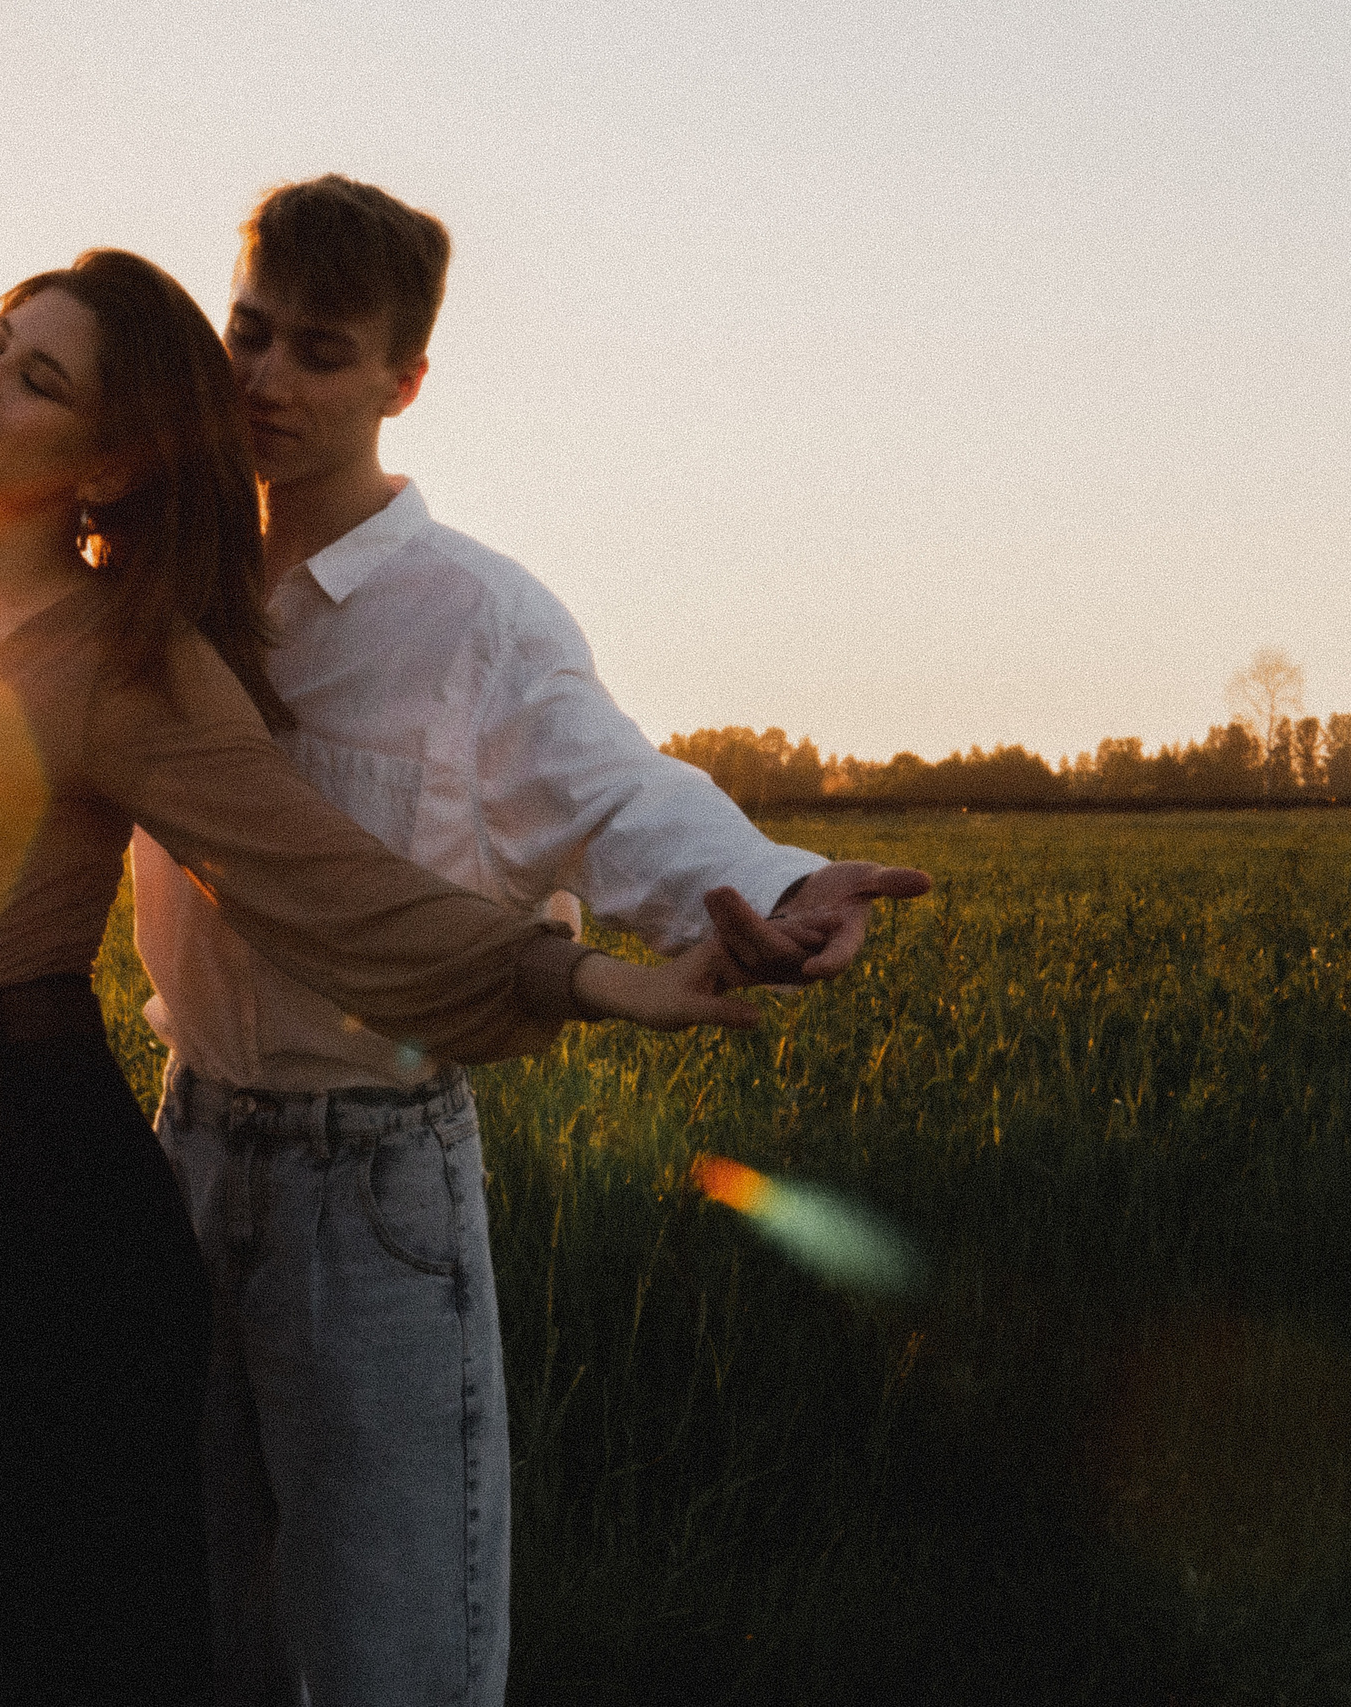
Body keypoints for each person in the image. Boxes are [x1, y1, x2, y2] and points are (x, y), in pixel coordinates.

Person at [0, 247, 773, 1706]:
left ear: (108, 461)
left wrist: (597, 983)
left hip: (37, 1163)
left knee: (41, 1622)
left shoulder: (129, 658)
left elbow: (316, 877)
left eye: (42, 377)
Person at [132, 174, 934, 1707]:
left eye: (318, 349)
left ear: (403, 381)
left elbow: (615, 785)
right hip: (178, 1166)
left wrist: (776, 882)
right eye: (247, 331)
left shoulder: (473, 618)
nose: (264, 378)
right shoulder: (167, 583)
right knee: (199, 1652)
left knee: (393, 1665)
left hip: (369, 1193)